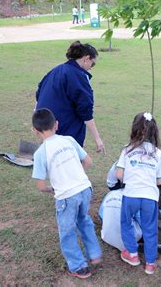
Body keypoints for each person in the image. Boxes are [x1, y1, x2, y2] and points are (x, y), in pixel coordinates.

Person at [31, 108, 101, 279]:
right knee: (83, 219)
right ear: (56, 124)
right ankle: (94, 253)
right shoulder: (69, 140)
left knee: (67, 230)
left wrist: (51, 189)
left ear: (35, 130)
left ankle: (79, 266)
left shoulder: (40, 153)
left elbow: (40, 185)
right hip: (85, 189)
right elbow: (88, 161)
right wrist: (78, 173)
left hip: (66, 196)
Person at [116, 112, 161, 275]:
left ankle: (132, 254)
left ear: (134, 129)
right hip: (149, 197)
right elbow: (160, 181)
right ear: (155, 131)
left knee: (126, 222)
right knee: (150, 228)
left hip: (130, 194)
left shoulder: (127, 149)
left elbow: (119, 174)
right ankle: (150, 263)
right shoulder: (158, 153)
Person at [35, 41, 104, 153]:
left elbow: (38, 93)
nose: (91, 68)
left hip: (47, 127)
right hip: (65, 129)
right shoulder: (78, 76)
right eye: (93, 64)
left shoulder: (56, 70)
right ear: (86, 58)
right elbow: (85, 110)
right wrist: (97, 138)